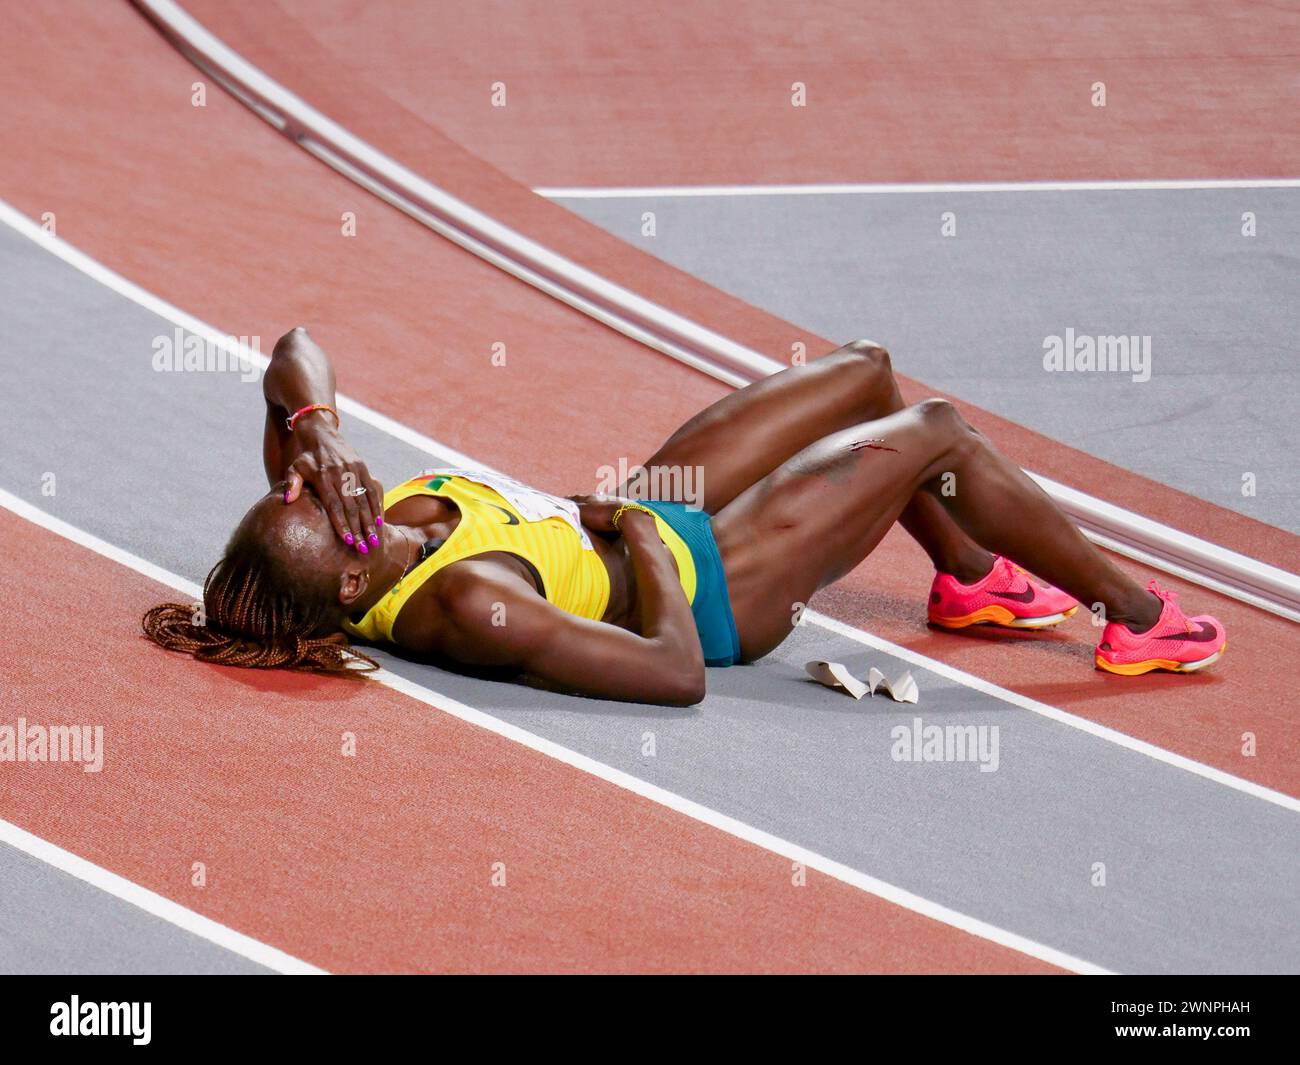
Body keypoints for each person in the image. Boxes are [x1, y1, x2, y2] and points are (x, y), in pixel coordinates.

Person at [143, 328, 1226, 704]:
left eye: (301, 483)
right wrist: (655, 552)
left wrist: (318, 431)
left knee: (864, 373)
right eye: (329, 512)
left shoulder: (331, 509)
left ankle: (972, 580)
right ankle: (1134, 616)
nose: (337, 496)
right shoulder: (468, 607)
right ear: (347, 585)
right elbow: (673, 675)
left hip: (628, 514)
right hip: (712, 587)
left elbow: (293, 348)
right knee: (935, 428)